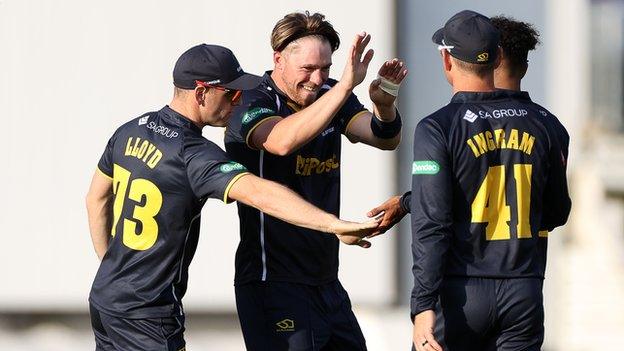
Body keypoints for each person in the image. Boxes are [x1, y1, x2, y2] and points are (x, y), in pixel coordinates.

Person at [85, 44, 381, 351]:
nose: (238, 101)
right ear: (201, 93)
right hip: (148, 312)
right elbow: (259, 193)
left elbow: (96, 199)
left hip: (106, 298)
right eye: (231, 94)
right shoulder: (193, 154)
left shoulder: (131, 130)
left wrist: (113, 271)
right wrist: (332, 224)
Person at [224, 11, 408, 351]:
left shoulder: (330, 92)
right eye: (307, 68)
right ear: (278, 59)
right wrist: (344, 88)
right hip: (273, 281)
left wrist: (385, 106)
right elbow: (280, 141)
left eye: (325, 68)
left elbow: (383, 138)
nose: (317, 78)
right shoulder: (251, 98)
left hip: (326, 281)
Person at [409, 10, 571, 351]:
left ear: (447, 60)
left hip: (460, 294)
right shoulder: (547, 124)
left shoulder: (438, 127)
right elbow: (556, 212)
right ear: (497, 57)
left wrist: (422, 304)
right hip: (523, 293)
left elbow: (432, 222)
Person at [367, 15, 544, 236]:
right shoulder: (545, 123)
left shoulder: (445, 125)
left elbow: (440, 208)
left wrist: (409, 202)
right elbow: (556, 211)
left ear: (494, 59)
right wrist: (409, 201)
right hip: (529, 268)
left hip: (468, 269)